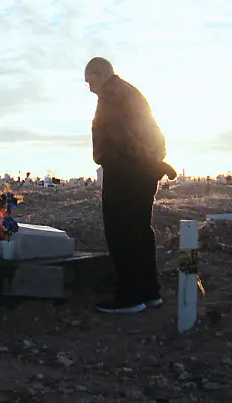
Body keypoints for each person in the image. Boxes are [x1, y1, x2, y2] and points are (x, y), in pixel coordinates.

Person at [84, 57, 177, 314]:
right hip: (142, 172)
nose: (89, 87)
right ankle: (149, 292)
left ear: (100, 74)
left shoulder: (111, 95)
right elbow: (156, 133)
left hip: (125, 172)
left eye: (90, 80)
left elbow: (121, 136)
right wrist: (156, 161)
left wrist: (151, 163)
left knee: (121, 233)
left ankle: (130, 297)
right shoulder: (133, 93)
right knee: (139, 232)